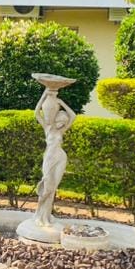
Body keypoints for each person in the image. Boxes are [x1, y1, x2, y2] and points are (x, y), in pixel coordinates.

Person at [33, 85, 75, 227]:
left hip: (60, 157)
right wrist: (44, 95)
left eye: (63, 123)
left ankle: (46, 217)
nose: (61, 124)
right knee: (46, 189)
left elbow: (73, 116)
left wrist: (61, 102)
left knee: (53, 189)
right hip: (49, 158)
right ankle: (38, 214)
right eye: (60, 121)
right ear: (55, 119)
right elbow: (36, 113)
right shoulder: (48, 128)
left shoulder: (61, 131)